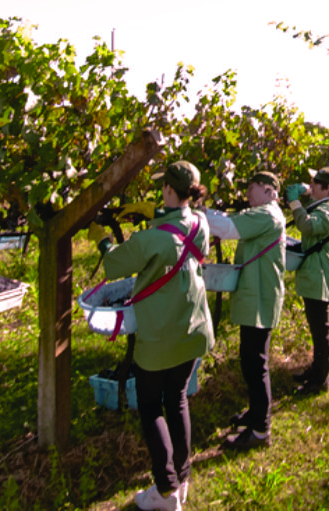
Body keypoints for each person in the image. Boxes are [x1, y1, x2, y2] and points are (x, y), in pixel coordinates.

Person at [98, 161, 213, 511]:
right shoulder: (200, 224)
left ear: (167, 190)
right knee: (177, 398)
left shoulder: (150, 240)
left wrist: (102, 241)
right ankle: (182, 479)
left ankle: (165, 491)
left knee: (150, 406)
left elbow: (115, 264)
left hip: (160, 336)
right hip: (193, 330)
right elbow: (184, 245)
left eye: (162, 186)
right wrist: (158, 218)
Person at [219, 171, 287, 451]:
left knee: (255, 362)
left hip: (261, 297)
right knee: (250, 358)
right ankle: (256, 413)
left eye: (253, 187)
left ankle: (260, 431)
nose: (247, 192)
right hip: (256, 295)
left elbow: (227, 229)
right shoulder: (263, 213)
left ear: (270, 190)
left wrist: (194, 214)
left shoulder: (267, 215)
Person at [284, 167, 329, 396]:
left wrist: (295, 204)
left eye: (316, 183)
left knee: (321, 330)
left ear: (327, 188)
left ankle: (320, 381)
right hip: (315, 272)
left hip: (319, 274)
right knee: (316, 326)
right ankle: (316, 369)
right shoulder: (324, 206)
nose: (312, 186)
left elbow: (309, 226)